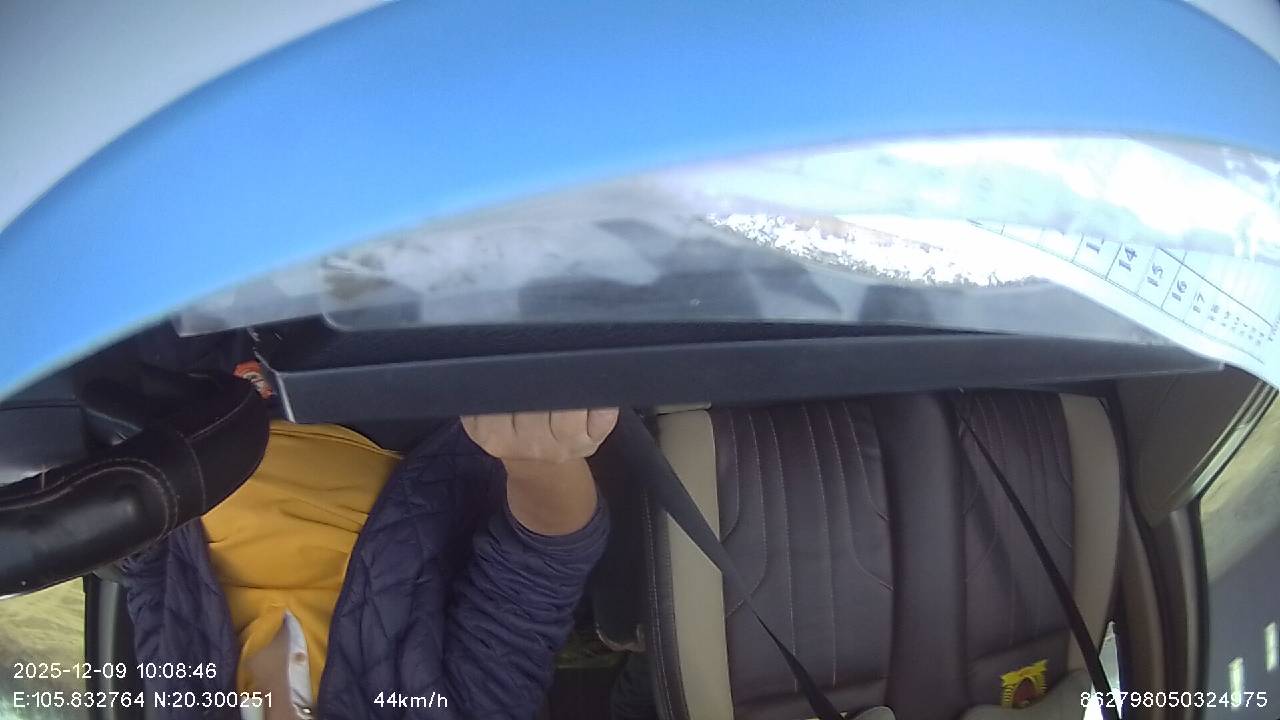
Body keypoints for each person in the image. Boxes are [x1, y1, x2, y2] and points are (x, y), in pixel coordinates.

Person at [123, 408, 618, 720]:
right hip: (388, 413)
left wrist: (112, 486)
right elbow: (541, 566)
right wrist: (536, 458)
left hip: (195, 420)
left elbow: (148, 572)